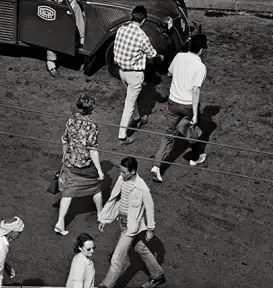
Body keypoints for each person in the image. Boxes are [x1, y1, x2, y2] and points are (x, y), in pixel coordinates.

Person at [96, 157, 166, 288]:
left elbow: (149, 207)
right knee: (139, 247)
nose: (121, 175)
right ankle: (157, 275)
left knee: (117, 258)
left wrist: (150, 229)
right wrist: (104, 218)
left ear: (133, 171)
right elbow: (115, 199)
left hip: (131, 226)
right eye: (121, 171)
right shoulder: (122, 179)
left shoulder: (142, 188)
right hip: (123, 221)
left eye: (124, 172)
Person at [151, 34, 209, 183]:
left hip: (172, 102)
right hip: (188, 105)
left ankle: (157, 166)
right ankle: (195, 157)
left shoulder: (178, 57)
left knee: (168, 135)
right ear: (201, 50)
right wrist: (195, 114)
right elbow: (196, 91)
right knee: (192, 128)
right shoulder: (201, 67)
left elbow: (169, 73)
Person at [54, 93, 105, 235]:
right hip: (85, 165)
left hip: (70, 163)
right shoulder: (92, 126)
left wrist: (65, 156)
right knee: (95, 187)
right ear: (91, 109)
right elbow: (92, 149)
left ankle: (60, 222)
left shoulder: (71, 120)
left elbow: (64, 139)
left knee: (68, 192)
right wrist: (100, 171)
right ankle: (100, 213)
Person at [113, 5, 161, 146]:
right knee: (129, 103)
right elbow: (152, 53)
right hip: (135, 74)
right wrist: (160, 57)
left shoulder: (121, 29)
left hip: (121, 71)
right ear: (144, 20)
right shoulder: (141, 36)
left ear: (132, 16)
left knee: (131, 97)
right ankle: (122, 136)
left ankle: (138, 118)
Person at [45, 0, 85, 76]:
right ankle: (50, 62)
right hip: (51, 6)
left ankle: (82, 43)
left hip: (65, 6)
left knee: (76, 7)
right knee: (53, 29)